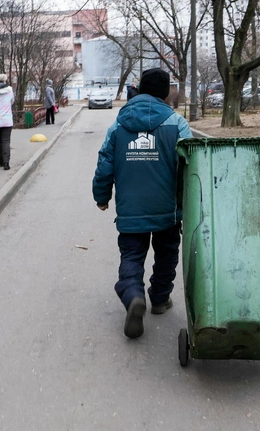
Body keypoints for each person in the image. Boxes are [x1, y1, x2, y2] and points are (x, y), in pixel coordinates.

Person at [92, 68, 192, 339]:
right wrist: (188, 202)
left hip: (130, 211)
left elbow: (105, 163)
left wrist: (102, 196)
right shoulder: (178, 124)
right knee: (166, 254)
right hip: (167, 210)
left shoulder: (119, 125)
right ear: (165, 92)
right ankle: (159, 299)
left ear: (139, 90)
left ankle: (133, 295)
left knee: (132, 256)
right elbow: (190, 166)